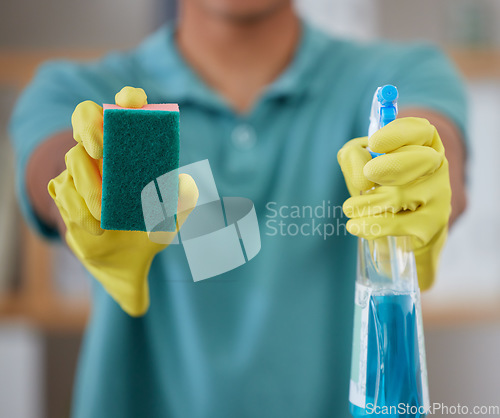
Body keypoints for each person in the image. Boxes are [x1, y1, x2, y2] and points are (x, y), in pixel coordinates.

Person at [10, 0, 467, 417]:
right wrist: (85, 194)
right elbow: (50, 165)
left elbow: (433, 136)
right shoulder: (73, 88)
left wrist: (419, 179)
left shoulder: (402, 72)